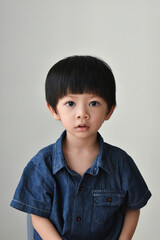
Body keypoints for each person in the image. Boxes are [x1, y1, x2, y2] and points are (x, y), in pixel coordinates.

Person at [10, 55, 151, 240]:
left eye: (94, 103)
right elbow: (37, 215)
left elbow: (133, 207)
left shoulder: (121, 163)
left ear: (109, 110)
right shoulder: (42, 163)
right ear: (53, 109)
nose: (82, 114)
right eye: (70, 103)